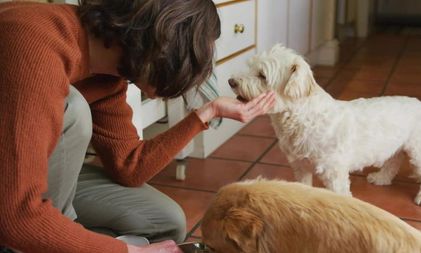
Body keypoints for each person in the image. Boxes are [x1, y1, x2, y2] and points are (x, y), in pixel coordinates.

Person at [0, 0, 276, 252]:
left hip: (31, 181)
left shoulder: (107, 76)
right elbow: (15, 214)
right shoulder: (33, 43)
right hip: (13, 200)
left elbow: (129, 167)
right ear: (163, 44)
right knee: (74, 108)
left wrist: (207, 112)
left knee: (165, 221)